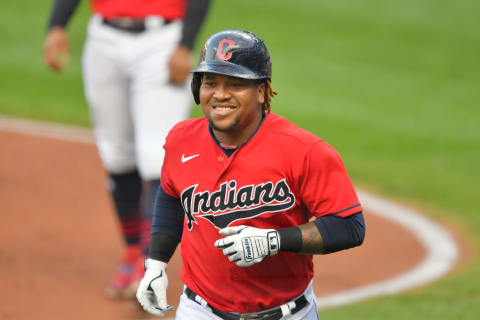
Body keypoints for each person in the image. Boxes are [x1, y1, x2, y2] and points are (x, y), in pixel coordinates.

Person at [136, 29, 366, 319]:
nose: (220, 94)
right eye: (210, 82)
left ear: (261, 91)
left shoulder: (304, 150)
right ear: (197, 89)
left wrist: (273, 241)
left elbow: (350, 226)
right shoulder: (181, 140)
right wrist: (156, 263)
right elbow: (171, 197)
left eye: (235, 83)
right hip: (199, 311)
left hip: (286, 313)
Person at [43, 0, 211, 299]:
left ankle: (150, 262)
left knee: (158, 158)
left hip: (162, 41)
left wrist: (186, 44)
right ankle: (132, 250)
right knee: (117, 155)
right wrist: (57, 24)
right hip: (103, 41)